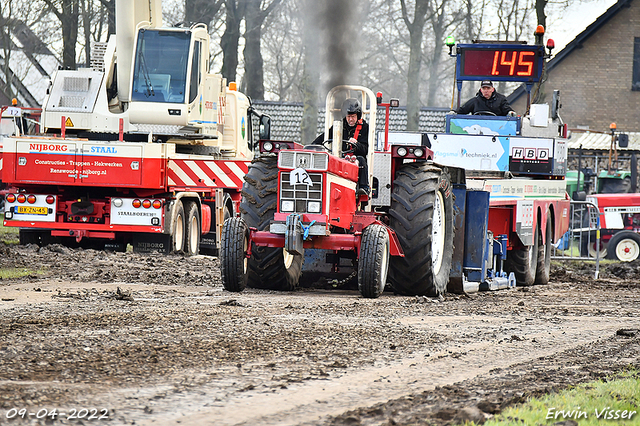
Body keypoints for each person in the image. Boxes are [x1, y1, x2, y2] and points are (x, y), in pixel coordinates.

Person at [313, 98, 370, 195]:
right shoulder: (339, 125)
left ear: (358, 115)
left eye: (353, 116)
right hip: (339, 157)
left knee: (361, 160)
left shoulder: (364, 127)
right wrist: (313, 146)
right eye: (348, 116)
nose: (350, 119)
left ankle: (364, 188)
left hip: (354, 158)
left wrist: (357, 144)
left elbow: (365, 149)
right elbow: (324, 137)